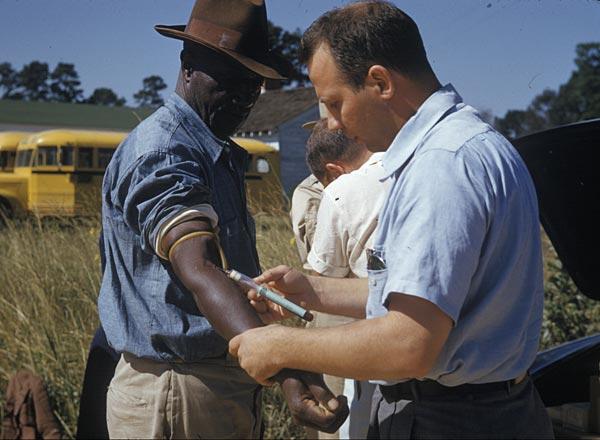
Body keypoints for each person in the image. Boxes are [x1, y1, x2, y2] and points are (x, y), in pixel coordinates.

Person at [229, 1, 554, 438]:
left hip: (449, 421)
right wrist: (314, 290)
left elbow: (410, 343)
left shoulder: (440, 167)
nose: (331, 124)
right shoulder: (470, 144)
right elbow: (433, 293)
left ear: (380, 82)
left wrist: (281, 346)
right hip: (488, 412)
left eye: (334, 103)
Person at [97, 1, 348, 438]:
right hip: (177, 390)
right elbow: (201, 267)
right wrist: (287, 368)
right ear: (188, 65)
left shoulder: (213, 148)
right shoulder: (165, 151)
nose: (244, 98)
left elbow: (226, 274)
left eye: (254, 87)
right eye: (230, 81)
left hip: (213, 383)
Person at [304, 119, 389, 439]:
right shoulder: (411, 168)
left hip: (376, 353)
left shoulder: (341, 191)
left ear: (334, 171)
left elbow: (323, 281)